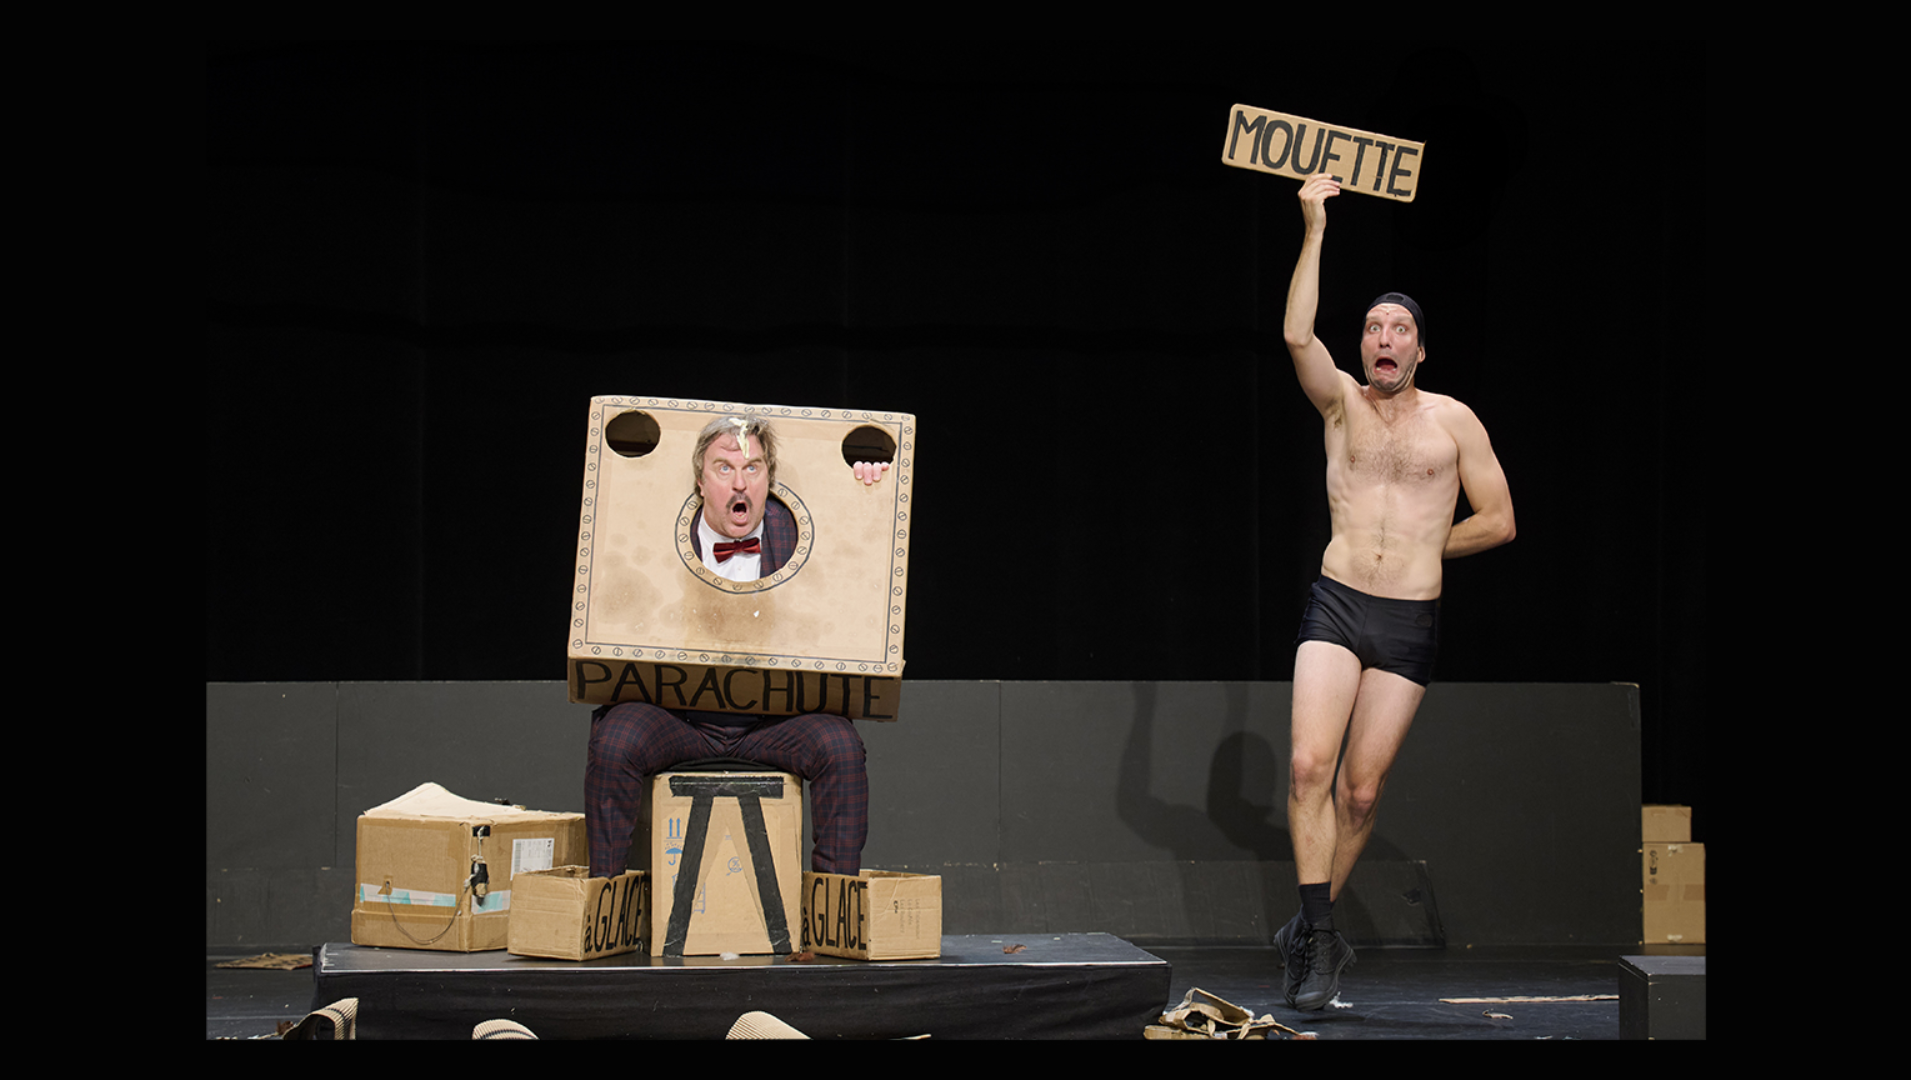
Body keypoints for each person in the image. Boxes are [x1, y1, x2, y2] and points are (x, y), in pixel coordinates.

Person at [1276, 172, 1516, 1011]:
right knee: (1309, 767)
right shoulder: (1339, 404)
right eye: (1373, 326)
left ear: (1419, 349)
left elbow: (1499, 519)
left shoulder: (1453, 421)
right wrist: (1313, 225)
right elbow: (1297, 332)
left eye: (1398, 328)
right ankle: (1321, 938)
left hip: (1408, 620)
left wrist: (1426, 545)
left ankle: (1311, 924)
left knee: (1361, 791)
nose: (1383, 338)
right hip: (1337, 603)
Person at [584, 414, 890, 878]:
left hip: (773, 721)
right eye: (724, 468)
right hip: (680, 715)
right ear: (700, 481)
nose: (740, 483)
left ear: (770, 478)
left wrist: (864, 488)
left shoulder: (794, 535)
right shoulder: (665, 534)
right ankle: (604, 898)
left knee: (840, 746)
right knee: (615, 739)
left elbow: (857, 534)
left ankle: (834, 903)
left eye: (754, 467)